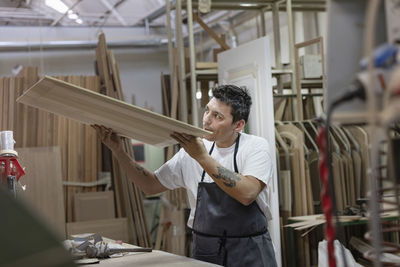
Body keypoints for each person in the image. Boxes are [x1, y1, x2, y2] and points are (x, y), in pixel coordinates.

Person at [92, 84, 277, 267]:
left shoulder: (255, 147)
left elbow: (248, 193)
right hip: (206, 249)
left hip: (248, 250)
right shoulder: (191, 152)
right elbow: (150, 185)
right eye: (207, 111)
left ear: (238, 125)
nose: (206, 120)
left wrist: (202, 157)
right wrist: (117, 151)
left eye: (217, 116)